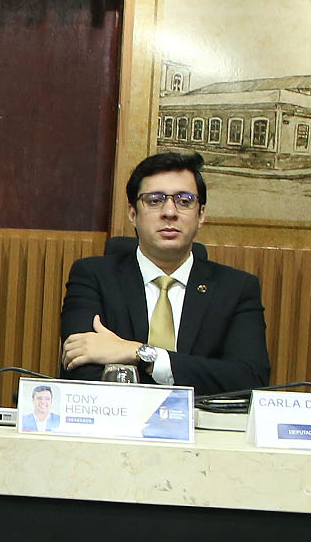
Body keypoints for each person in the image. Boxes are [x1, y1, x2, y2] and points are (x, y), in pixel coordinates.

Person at [58, 152, 271, 396]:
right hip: (118, 418)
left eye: (184, 201)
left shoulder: (237, 288)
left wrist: (138, 353)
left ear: (201, 215)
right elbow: (79, 367)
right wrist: (191, 372)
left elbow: (249, 379)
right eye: (154, 200)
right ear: (132, 214)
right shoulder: (92, 277)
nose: (169, 212)